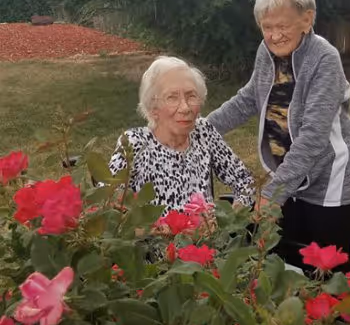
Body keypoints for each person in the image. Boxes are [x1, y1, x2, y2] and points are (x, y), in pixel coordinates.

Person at [208, 0, 350, 274]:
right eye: (267, 27)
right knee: (289, 262)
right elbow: (248, 99)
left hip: (327, 183)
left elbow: (313, 136)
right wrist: (201, 129)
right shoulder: (266, 53)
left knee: (329, 271)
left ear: (307, 19)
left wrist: (272, 193)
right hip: (287, 178)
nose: (275, 35)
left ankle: (338, 319)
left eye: (283, 26)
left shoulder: (324, 59)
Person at [109, 56, 255, 212]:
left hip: (206, 235)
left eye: (191, 96)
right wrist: (153, 230)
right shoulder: (134, 142)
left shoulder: (203, 132)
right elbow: (109, 199)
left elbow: (245, 181)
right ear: (153, 108)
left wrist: (229, 218)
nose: (185, 108)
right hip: (155, 236)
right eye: (172, 97)